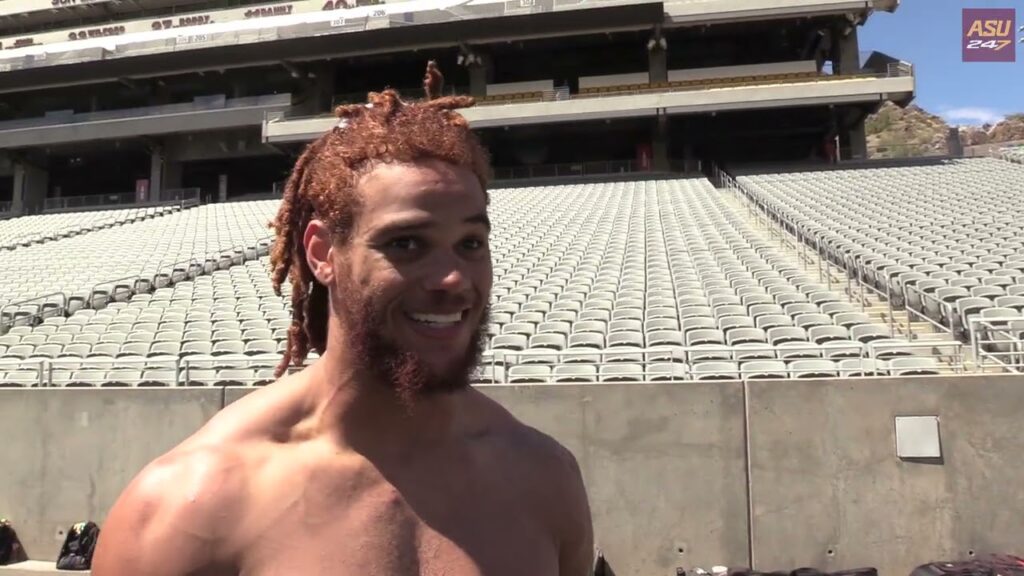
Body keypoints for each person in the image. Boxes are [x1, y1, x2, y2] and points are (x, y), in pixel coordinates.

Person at [91, 61, 595, 575]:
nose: (452, 279)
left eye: (470, 243)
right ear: (322, 253)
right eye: (406, 244)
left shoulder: (544, 478)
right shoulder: (187, 507)